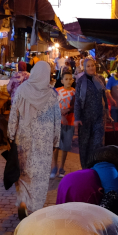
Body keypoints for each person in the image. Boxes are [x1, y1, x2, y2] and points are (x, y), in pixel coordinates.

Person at [8, 61, 62, 219]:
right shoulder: (52, 94)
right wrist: (55, 140)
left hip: (23, 137)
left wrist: (10, 134)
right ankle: (35, 209)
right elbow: (56, 119)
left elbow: (14, 113)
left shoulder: (22, 89)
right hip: (44, 141)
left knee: (23, 172)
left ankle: (23, 202)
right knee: (40, 175)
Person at [74, 57, 108, 166]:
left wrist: (107, 111)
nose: (91, 68)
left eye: (92, 65)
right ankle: (85, 167)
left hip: (99, 116)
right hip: (85, 118)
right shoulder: (80, 81)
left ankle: (95, 166)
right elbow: (78, 101)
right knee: (84, 145)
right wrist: (77, 118)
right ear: (84, 68)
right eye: (88, 66)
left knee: (98, 143)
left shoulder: (100, 79)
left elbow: (105, 96)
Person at [51, 70, 76, 178]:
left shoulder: (75, 92)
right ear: (62, 81)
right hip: (57, 122)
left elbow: (77, 106)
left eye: (70, 79)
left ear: (73, 80)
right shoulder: (57, 91)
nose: (68, 81)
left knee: (66, 146)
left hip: (70, 122)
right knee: (56, 145)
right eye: (66, 79)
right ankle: (54, 166)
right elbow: (52, 105)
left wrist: (69, 110)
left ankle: (62, 167)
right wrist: (60, 114)